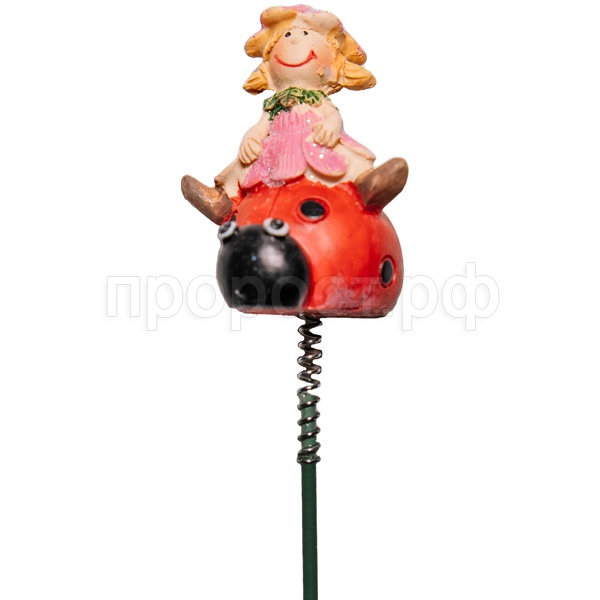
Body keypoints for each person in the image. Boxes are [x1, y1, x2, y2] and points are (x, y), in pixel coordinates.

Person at [182, 5, 407, 224]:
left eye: (305, 34)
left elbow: (333, 115)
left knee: (348, 156)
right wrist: (249, 138)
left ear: (332, 65)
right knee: (244, 163)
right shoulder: (273, 104)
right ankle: (223, 202)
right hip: (275, 150)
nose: (294, 40)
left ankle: (367, 185)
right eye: (287, 35)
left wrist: (332, 125)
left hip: (316, 142)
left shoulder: (318, 101)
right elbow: (261, 126)